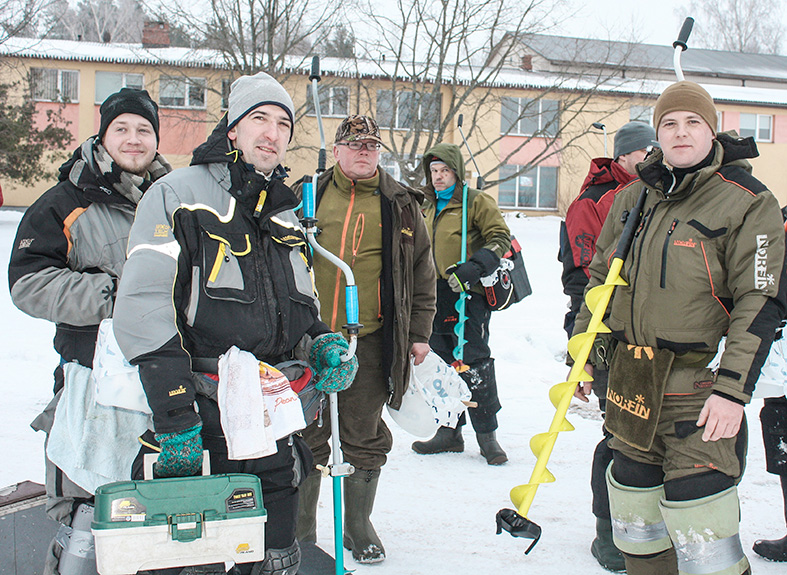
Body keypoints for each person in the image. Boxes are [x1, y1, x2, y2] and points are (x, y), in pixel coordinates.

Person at [112, 73, 352, 575]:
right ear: (233, 129)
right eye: (259, 119)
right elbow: (145, 305)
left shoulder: (285, 216)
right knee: (195, 557)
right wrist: (176, 415)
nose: (272, 133)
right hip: (201, 415)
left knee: (273, 554)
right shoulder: (177, 194)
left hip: (272, 419)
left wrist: (321, 343)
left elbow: (297, 309)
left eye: (283, 123)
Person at [572, 81, 786, 575]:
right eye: (670, 123)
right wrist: (582, 354)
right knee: (637, 531)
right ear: (657, 135)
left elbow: (761, 300)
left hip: (701, 392)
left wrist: (733, 392)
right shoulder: (631, 198)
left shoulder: (747, 201)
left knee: (703, 538)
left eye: (693, 122)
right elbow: (602, 282)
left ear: (712, 131)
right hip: (632, 385)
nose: (681, 132)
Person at [8, 88, 171, 575]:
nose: (133, 139)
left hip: (164, 376)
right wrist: (112, 296)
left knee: (151, 506)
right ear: (102, 135)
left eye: (144, 129)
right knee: (87, 502)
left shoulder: (174, 201)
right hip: (89, 380)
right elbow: (28, 282)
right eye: (121, 128)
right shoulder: (66, 200)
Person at [294, 115, 436, 564]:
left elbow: (422, 272)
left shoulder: (401, 204)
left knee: (364, 436)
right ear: (336, 151)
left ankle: (357, 525)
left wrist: (418, 334)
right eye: (354, 145)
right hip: (306, 339)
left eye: (372, 145)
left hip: (370, 341)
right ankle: (301, 533)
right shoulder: (306, 195)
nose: (363, 152)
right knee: (305, 434)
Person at [560, 121, 658, 572]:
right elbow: (585, 275)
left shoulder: (658, 192)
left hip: (647, 334)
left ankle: (644, 526)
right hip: (601, 329)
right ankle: (608, 534)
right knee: (619, 434)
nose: (654, 155)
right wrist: (582, 349)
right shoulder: (595, 200)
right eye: (646, 150)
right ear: (624, 156)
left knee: (648, 436)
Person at [410, 142, 511, 465]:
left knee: (474, 362)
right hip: (431, 293)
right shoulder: (425, 205)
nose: (438, 177)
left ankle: (487, 435)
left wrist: (476, 266)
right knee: (439, 362)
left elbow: (500, 237)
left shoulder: (475, 201)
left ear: (456, 172)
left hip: (467, 293)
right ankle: (449, 431)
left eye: (445, 171)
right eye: (434, 171)